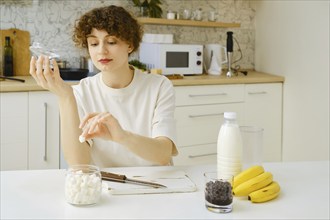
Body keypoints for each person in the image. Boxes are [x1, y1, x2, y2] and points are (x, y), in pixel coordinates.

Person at [29, 5, 178, 168]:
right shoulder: (81, 92)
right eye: (93, 43)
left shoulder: (159, 86)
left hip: (158, 183)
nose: (101, 51)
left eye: (111, 42)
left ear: (130, 45)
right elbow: (78, 163)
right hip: (109, 185)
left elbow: (164, 154)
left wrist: (121, 136)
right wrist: (65, 97)